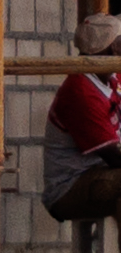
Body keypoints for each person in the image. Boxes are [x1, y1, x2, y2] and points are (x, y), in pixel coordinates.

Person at [45, 11, 121, 225]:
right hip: (70, 186)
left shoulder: (110, 76)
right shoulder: (80, 91)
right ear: (114, 48)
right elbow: (113, 157)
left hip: (100, 172)